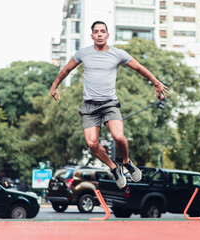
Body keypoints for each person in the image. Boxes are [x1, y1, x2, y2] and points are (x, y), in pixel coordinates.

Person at [50, 21, 169, 189]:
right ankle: (114, 168)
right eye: (96, 32)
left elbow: (139, 68)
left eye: (102, 31)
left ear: (107, 35)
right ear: (92, 36)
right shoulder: (83, 53)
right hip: (90, 107)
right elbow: (66, 70)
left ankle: (127, 162)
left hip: (109, 104)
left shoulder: (118, 54)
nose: (99, 34)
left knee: (119, 137)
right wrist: (55, 85)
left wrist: (156, 82)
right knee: (92, 143)